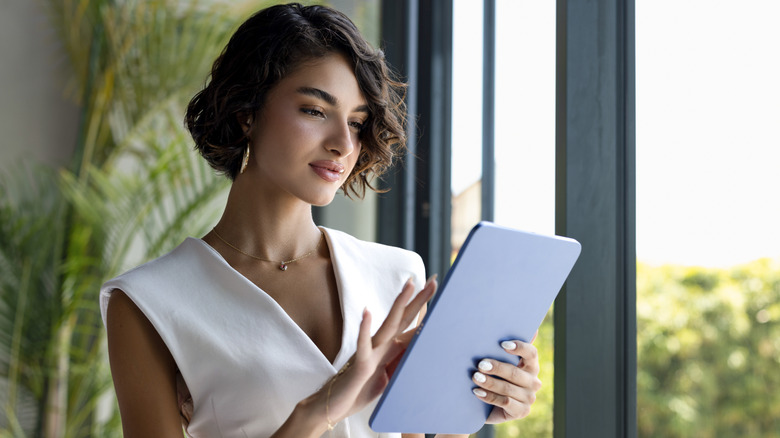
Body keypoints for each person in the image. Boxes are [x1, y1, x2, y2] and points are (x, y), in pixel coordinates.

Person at [100, 3, 542, 438]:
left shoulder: (398, 277)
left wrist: (473, 404)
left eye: (357, 122)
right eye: (315, 110)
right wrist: (319, 409)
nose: (343, 144)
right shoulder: (149, 302)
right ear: (246, 112)